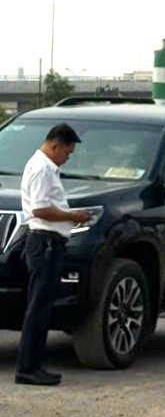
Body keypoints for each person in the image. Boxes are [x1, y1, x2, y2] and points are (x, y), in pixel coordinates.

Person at [16, 124, 92, 386]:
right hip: (44, 243)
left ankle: (34, 364)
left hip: (48, 242)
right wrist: (72, 216)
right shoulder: (41, 168)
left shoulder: (45, 167)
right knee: (38, 308)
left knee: (42, 306)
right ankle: (28, 367)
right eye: (67, 153)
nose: (67, 158)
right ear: (55, 145)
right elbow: (40, 209)